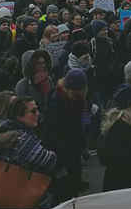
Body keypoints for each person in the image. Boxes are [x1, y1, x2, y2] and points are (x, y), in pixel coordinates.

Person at [0, 96, 57, 208]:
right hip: (27, 194)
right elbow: (49, 160)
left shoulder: (4, 127)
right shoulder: (21, 138)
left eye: (38, 109)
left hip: (10, 193)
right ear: (19, 115)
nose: (38, 114)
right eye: (33, 111)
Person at [44, 68, 89, 201]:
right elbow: (53, 131)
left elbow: (82, 120)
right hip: (60, 149)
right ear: (67, 88)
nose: (78, 95)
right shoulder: (55, 101)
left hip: (73, 146)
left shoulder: (79, 98)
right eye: (75, 93)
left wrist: (83, 144)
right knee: (63, 189)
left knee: (73, 185)